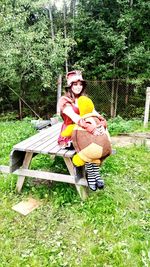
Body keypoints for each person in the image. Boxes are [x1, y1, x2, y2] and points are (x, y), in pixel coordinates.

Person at [57, 70, 107, 191]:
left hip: (85, 131)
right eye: (75, 84)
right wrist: (91, 128)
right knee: (89, 146)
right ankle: (93, 175)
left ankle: (93, 174)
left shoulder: (84, 99)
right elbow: (76, 118)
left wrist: (102, 122)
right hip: (71, 133)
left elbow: (94, 113)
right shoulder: (64, 100)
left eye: (80, 84)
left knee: (99, 143)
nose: (78, 87)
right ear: (70, 86)